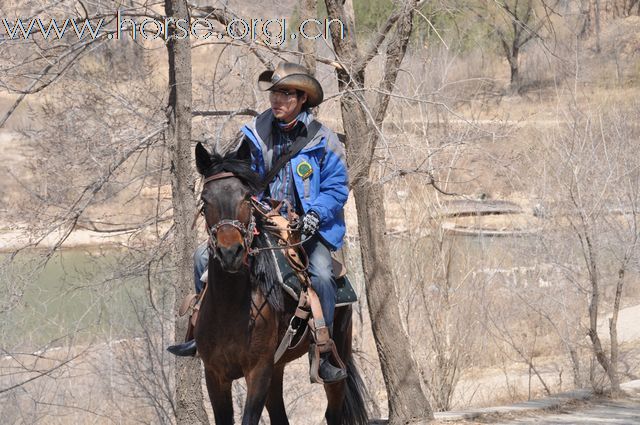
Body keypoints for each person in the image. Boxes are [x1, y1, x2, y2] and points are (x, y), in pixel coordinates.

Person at [168, 62, 349, 383]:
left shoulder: (324, 140)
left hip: (308, 228)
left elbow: (336, 187)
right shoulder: (252, 135)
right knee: (201, 258)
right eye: (274, 93)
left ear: (302, 98)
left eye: (285, 93)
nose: (276, 99)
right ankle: (200, 333)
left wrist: (315, 215)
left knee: (321, 273)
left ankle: (323, 349)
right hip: (263, 222)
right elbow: (238, 180)